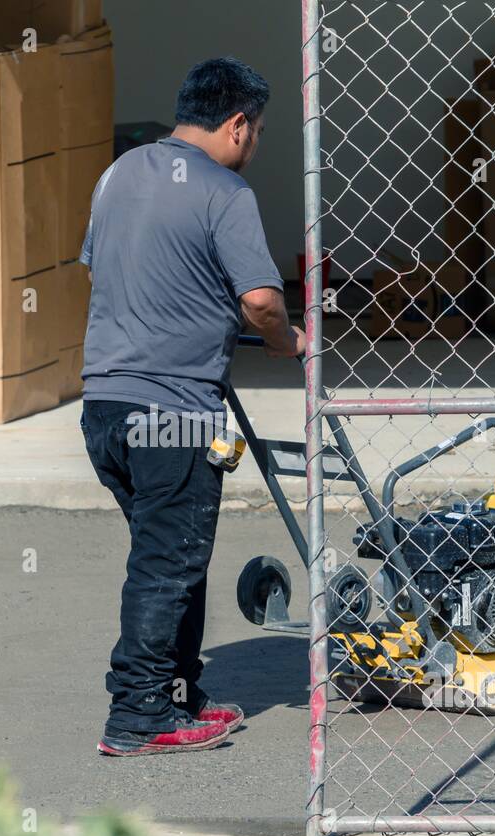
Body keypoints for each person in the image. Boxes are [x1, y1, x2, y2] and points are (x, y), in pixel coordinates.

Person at [78, 56, 305, 757]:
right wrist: (284, 340)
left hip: (106, 408)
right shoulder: (224, 191)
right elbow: (262, 299)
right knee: (167, 563)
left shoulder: (118, 174)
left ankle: (177, 693)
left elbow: (107, 264)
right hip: (173, 414)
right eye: (258, 130)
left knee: (170, 554)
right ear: (237, 124)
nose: (255, 143)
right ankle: (139, 714)